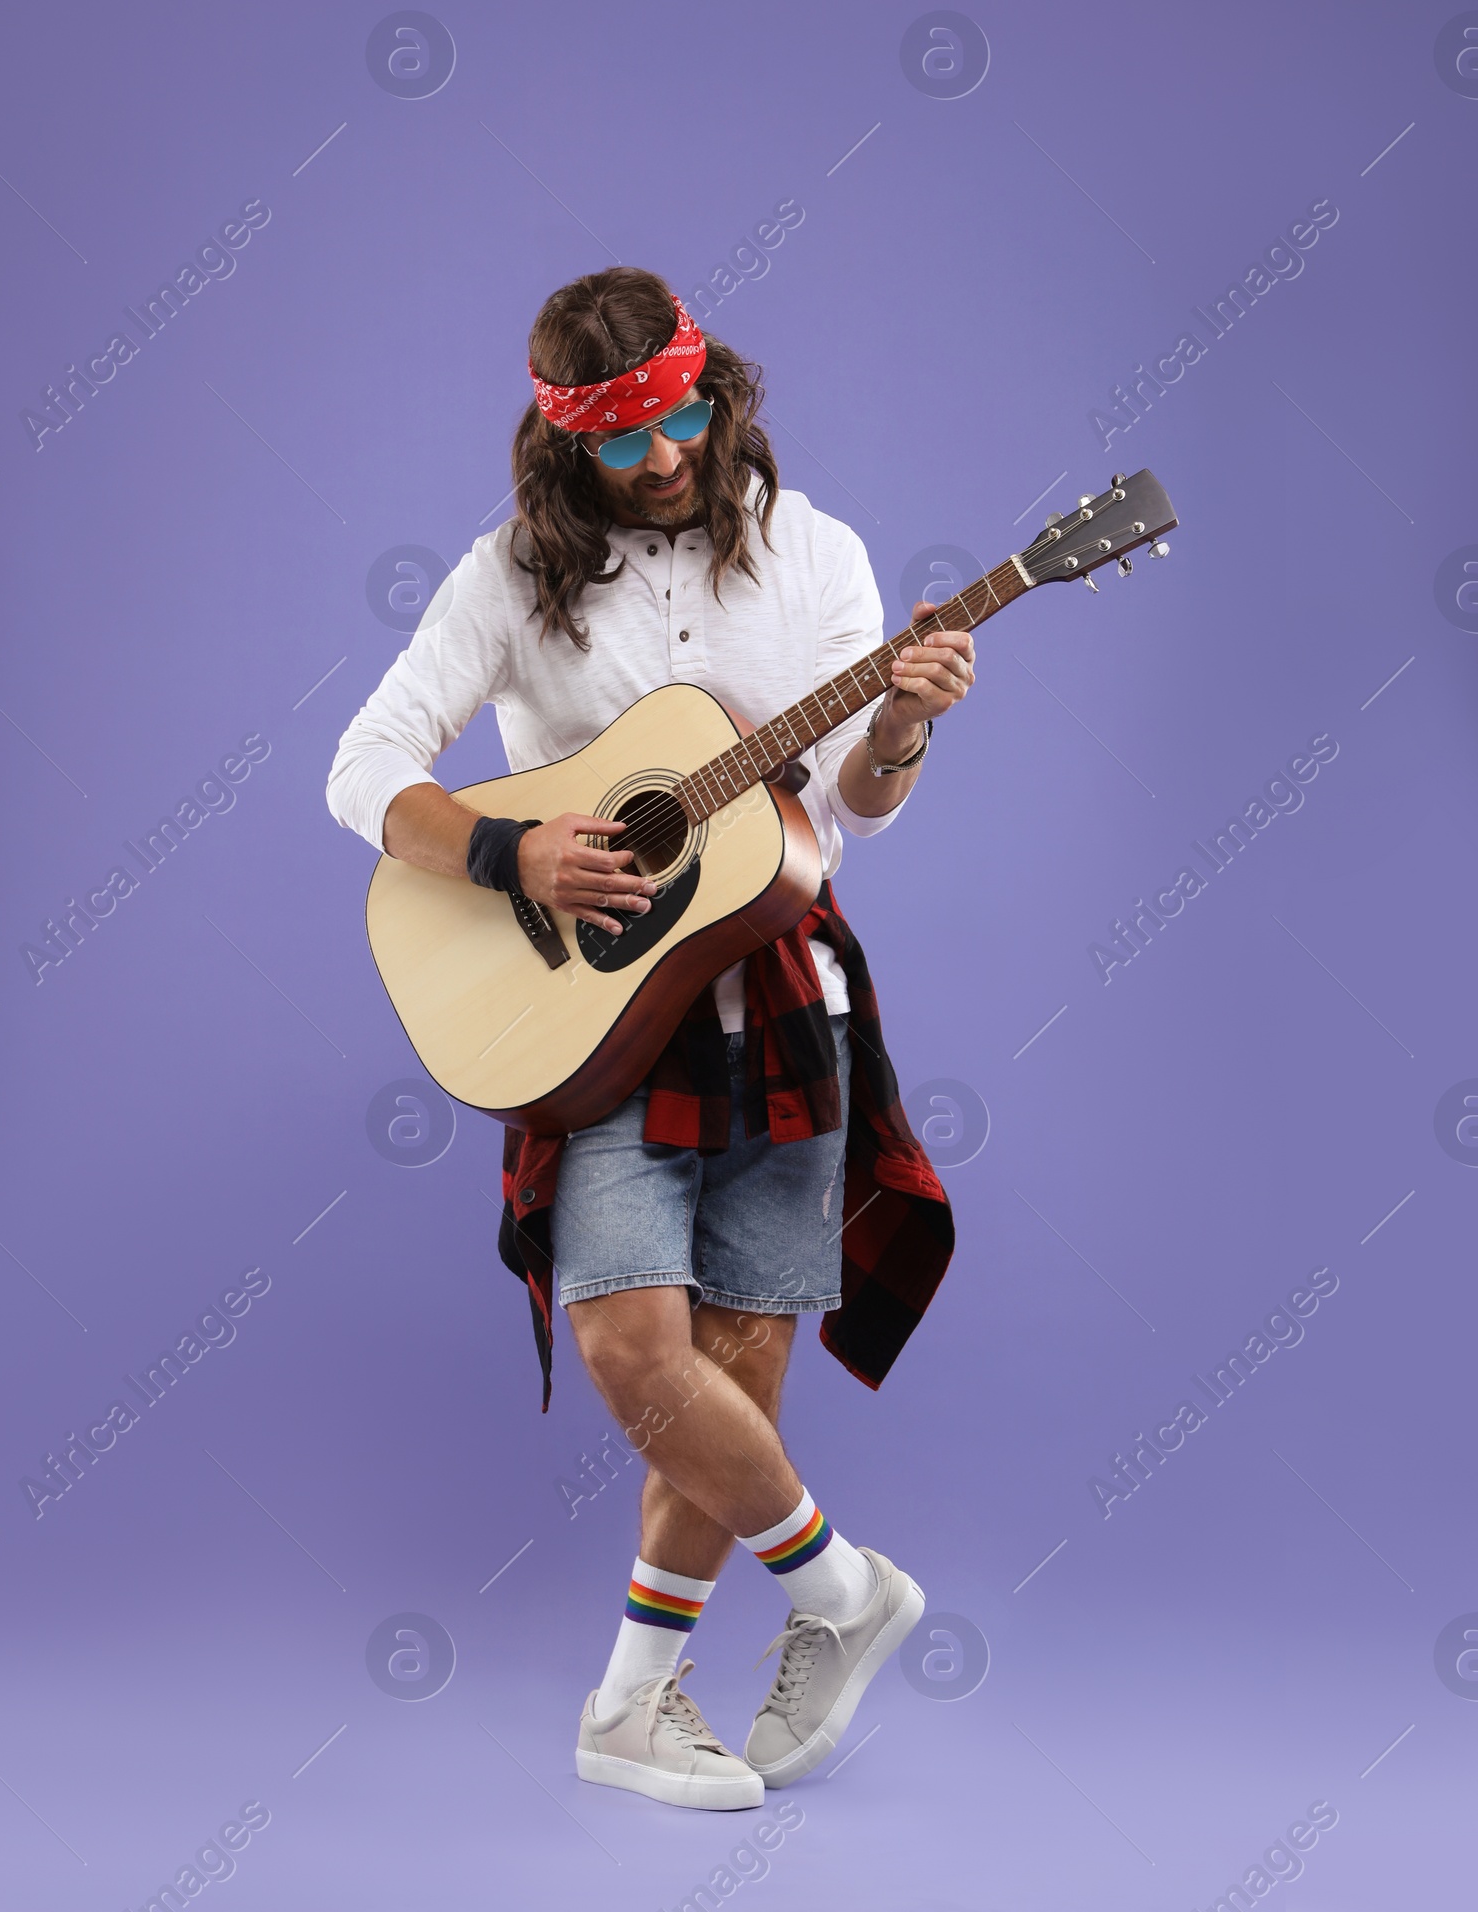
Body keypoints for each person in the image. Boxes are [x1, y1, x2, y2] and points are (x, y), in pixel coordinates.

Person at [327, 269, 973, 1810]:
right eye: (627, 440)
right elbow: (364, 765)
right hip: (599, 1015)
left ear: (717, 389)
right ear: (565, 447)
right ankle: (840, 1591)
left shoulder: (818, 551)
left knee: (745, 1359)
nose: (668, 455)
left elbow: (847, 812)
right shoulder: (508, 575)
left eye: (685, 416)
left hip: (783, 994)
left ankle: (630, 1703)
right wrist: (508, 855)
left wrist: (898, 729)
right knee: (634, 1342)